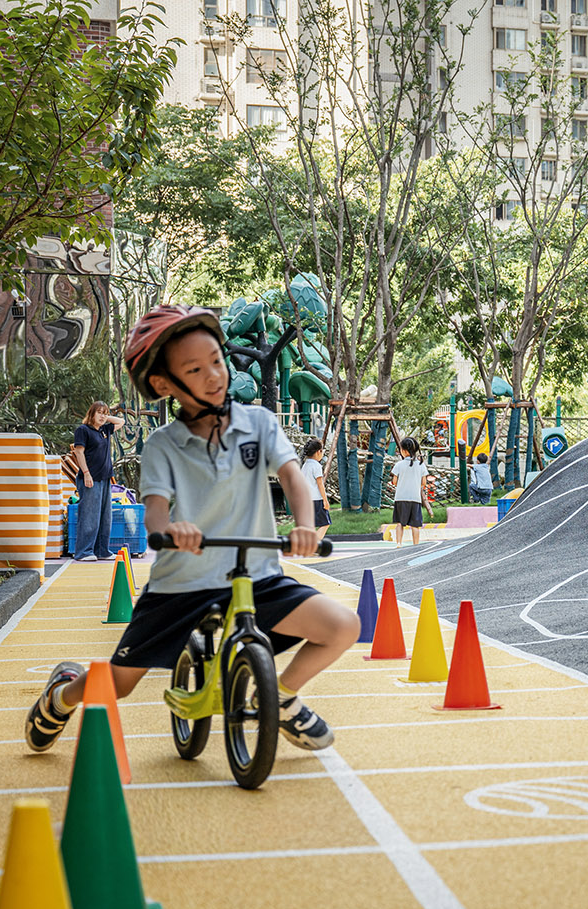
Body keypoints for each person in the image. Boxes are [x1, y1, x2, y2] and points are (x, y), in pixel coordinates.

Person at [25, 305, 359, 755]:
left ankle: (277, 696)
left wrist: (305, 524)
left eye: (217, 362)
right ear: (164, 385)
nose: (214, 376)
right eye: (195, 369)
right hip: (184, 581)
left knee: (342, 625)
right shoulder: (164, 444)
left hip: (254, 573)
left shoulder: (257, 423)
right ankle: (62, 693)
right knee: (119, 685)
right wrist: (171, 530)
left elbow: (292, 477)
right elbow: (155, 510)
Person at [70, 401, 125, 561]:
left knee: (105, 516)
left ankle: (102, 551)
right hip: (90, 478)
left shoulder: (105, 430)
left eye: (105, 413)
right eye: (99, 412)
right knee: (89, 515)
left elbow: (121, 422)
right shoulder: (83, 430)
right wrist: (86, 474)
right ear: (91, 413)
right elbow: (79, 453)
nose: (102, 416)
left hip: (105, 478)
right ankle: (84, 552)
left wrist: (106, 417)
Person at [390, 436, 427, 546]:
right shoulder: (421, 465)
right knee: (415, 525)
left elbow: (394, 481)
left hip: (401, 497)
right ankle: (415, 544)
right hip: (415, 498)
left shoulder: (399, 465)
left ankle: (399, 543)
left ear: (404, 451)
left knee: (400, 523)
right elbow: (424, 482)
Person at [300, 437, 331, 530]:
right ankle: (315, 543)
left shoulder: (305, 465)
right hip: (317, 499)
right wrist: (325, 500)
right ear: (318, 452)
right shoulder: (316, 466)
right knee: (325, 523)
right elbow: (320, 484)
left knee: (311, 525)